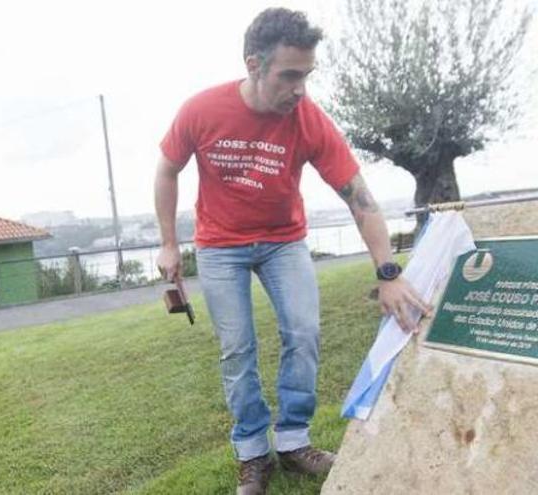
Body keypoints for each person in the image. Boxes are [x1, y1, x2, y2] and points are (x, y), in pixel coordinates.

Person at [154, 8, 431, 494]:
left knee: (303, 332)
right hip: (220, 246)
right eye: (289, 76)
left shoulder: (308, 120)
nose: (300, 89)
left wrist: (388, 271)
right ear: (253, 64)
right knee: (237, 348)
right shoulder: (201, 111)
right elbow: (166, 170)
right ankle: (253, 455)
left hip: (284, 241)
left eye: (306, 76)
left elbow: (359, 197)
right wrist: (169, 243)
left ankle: (293, 442)